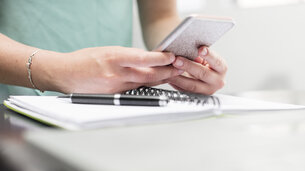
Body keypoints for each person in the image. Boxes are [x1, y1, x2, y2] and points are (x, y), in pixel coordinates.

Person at [0, 0, 227, 99]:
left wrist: (185, 57)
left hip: (114, 105)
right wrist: (58, 71)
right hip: (14, 109)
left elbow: (160, 16)